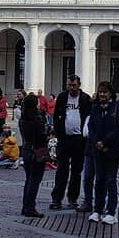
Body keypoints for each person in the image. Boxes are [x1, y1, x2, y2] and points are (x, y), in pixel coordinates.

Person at [50, 75, 92, 211]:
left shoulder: (85, 99)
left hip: (79, 140)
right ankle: (57, 199)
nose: (71, 88)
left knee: (76, 171)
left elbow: (89, 118)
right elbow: (56, 117)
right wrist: (58, 134)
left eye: (73, 85)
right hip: (64, 139)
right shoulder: (62, 97)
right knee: (61, 170)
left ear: (79, 85)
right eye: (69, 85)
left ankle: (73, 198)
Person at [86, 82, 119, 224]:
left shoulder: (117, 107)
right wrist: (97, 142)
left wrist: (105, 142)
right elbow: (91, 127)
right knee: (99, 181)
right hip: (97, 150)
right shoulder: (95, 108)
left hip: (112, 150)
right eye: (100, 92)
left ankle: (111, 212)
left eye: (105, 92)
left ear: (110, 93)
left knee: (110, 180)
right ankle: (97, 210)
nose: (102, 94)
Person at [18, 93, 47, 218]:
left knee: (29, 179)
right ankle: (30, 207)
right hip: (36, 151)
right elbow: (41, 135)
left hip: (25, 150)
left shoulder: (22, 119)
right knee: (35, 180)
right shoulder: (37, 119)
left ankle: (25, 206)